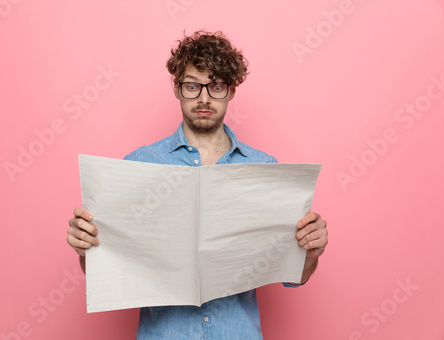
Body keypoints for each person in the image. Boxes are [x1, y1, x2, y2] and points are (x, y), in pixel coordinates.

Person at [67, 30, 328, 339]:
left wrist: (311, 251)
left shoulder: (263, 169)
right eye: (192, 86)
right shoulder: (138, 164)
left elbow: (294, 277)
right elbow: (112, 268)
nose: (204, 99)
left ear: (231, 91)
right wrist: (86, 249)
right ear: (177, 89)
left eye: (215, 86)